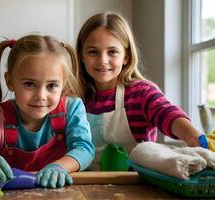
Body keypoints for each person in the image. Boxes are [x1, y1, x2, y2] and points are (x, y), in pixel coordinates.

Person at [0, 34, 95, 188]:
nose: (41, 96)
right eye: (30, 84)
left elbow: (84, 148)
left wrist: (59, 167)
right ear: (10, 81)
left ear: (63, 85)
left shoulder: (72, 108)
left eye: (52, 85)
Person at [75, 12, 204, 170]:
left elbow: (167, 113)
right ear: (81, 56)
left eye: (112, 52)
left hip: (136, 186)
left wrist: (191, 135)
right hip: (86, 187)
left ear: (126, 57)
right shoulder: (77, 98)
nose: (103, 60)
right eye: (93, 51)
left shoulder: (141, 92)